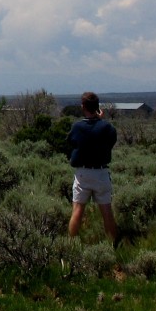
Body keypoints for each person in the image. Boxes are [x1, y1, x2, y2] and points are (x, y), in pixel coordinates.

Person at [67, 91, 117, 241]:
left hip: (83, 173)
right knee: (107, 212)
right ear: (97, 107)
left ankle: (71, 245)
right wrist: (100, 121)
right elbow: (111, 141)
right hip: (101, 173)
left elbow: (70, 143)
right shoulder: (107, 127)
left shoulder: (77, 127)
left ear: (83, 106)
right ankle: (113, 245)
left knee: (77, 211)